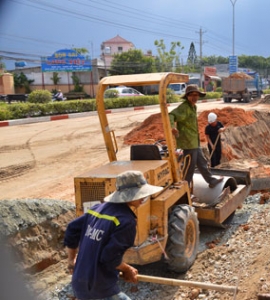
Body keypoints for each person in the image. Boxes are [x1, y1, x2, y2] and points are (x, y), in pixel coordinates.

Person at [63, 170, 163, 300]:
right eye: (141, 194)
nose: (144, 197)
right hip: (99, 289)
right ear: (129, 195)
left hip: (79, 282)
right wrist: (127, 269)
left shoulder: (97, 209)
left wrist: (71, 259)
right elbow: (109, 258)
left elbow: (72, 228)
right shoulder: (126, 221)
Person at [169, 84, 224, 189]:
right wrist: (172, 127)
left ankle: (211, 180)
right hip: (188, 142)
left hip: (194, 141)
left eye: (196, 95)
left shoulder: (193, 107)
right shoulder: (184, 107)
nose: (194, 97)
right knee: (189, 168)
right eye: (192, 95)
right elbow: (171, 115)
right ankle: (185, 191)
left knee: (202, 163)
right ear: (187, 96)